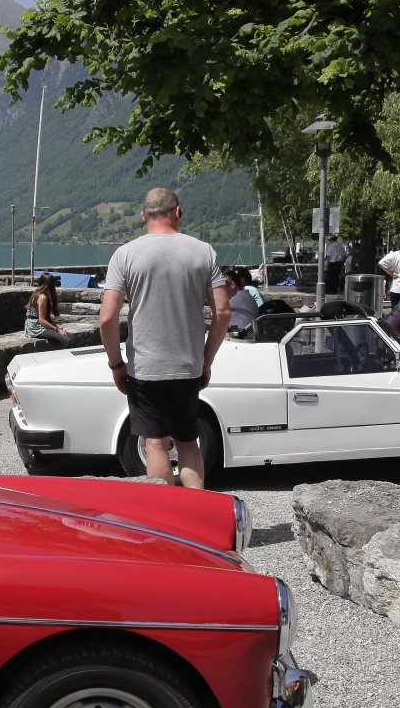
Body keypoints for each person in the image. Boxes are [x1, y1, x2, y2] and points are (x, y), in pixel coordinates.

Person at [99, 188, 232, 488]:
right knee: (188, 441)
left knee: (155, 443)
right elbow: (223, 312)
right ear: (178, 212)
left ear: (143, 216)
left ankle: (165, 514)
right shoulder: (203, 252)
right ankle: (196, 510)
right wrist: (206, 360)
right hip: (188, 366)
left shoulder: (125, 255)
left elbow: (107, 319)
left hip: (146, 369)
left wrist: (116, 365)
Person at [24, 272, 73, 346]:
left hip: (39, 326)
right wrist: (57, 330)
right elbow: (41, 320)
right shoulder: (42, 297)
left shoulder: (38, 294)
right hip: (36, 328)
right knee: (67, 340)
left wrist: (57, 328)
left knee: (72, 338)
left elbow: (46, 318)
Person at [226, 266, 264, 332]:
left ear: (232, 285)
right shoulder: (246, 296)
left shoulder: (237, 299)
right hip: (250, 333)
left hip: (240, 336)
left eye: (221, 287)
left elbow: (215, 315)